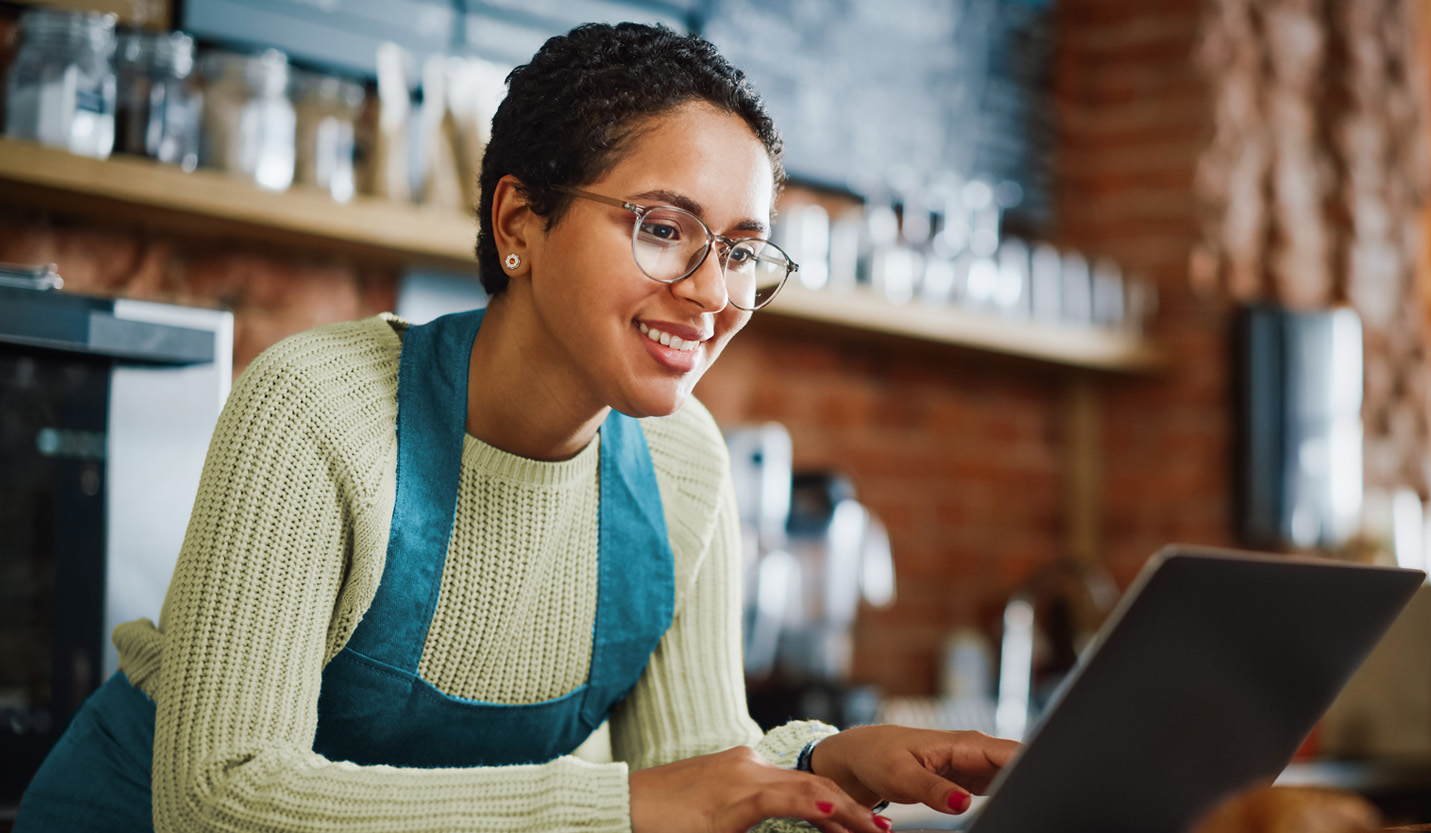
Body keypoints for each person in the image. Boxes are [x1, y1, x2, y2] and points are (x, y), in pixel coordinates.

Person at [15, 21, 1019, 833]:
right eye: (663, 229)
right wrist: (618, 807)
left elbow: (690, 771)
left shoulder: (682, 463)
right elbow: (219, 797)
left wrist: (813, 763)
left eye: (743, 248)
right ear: (517, 224)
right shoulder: (320, 408)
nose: (714, 291)